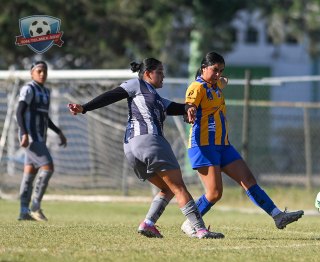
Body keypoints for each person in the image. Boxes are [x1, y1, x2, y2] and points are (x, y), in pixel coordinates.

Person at [68, 58, 224, 239]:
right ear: (148, 74)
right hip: (151, 142)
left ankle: (148, 224)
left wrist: (190, 106)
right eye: (159, 72)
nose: (163, 76)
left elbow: (177, 107)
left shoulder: (157, 98)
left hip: (132, 149)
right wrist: (85, 107)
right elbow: (111, 95)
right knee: (179, 187)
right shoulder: (137, 84)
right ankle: (200, 230)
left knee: (167, 188)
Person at [181, 52, 304, 236]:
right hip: (204, 146)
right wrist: (189, 111)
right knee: (214, 193)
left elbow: (223, 81)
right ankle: (190, 224)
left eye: (221, 71)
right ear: (203, 68)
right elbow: (189, 105)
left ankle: (278, 216)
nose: (218, 74)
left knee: (248, 180)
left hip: (223, 145)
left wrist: (221, 80)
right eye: (215, 70)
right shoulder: (197, 87)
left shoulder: (215, 85)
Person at [17, 61, 67, 221]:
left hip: (40, 137)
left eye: (44, 71)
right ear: (32, 73)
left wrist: (58, 132)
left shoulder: (46, 91)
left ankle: (24, 212)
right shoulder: (28, 89)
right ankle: (35, 207)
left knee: (29, 174)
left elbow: (45, 117)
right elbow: (19, 112)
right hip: (31, 137)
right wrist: (24, 133)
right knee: (48, 166)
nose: (42, 74)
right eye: (39, 71)